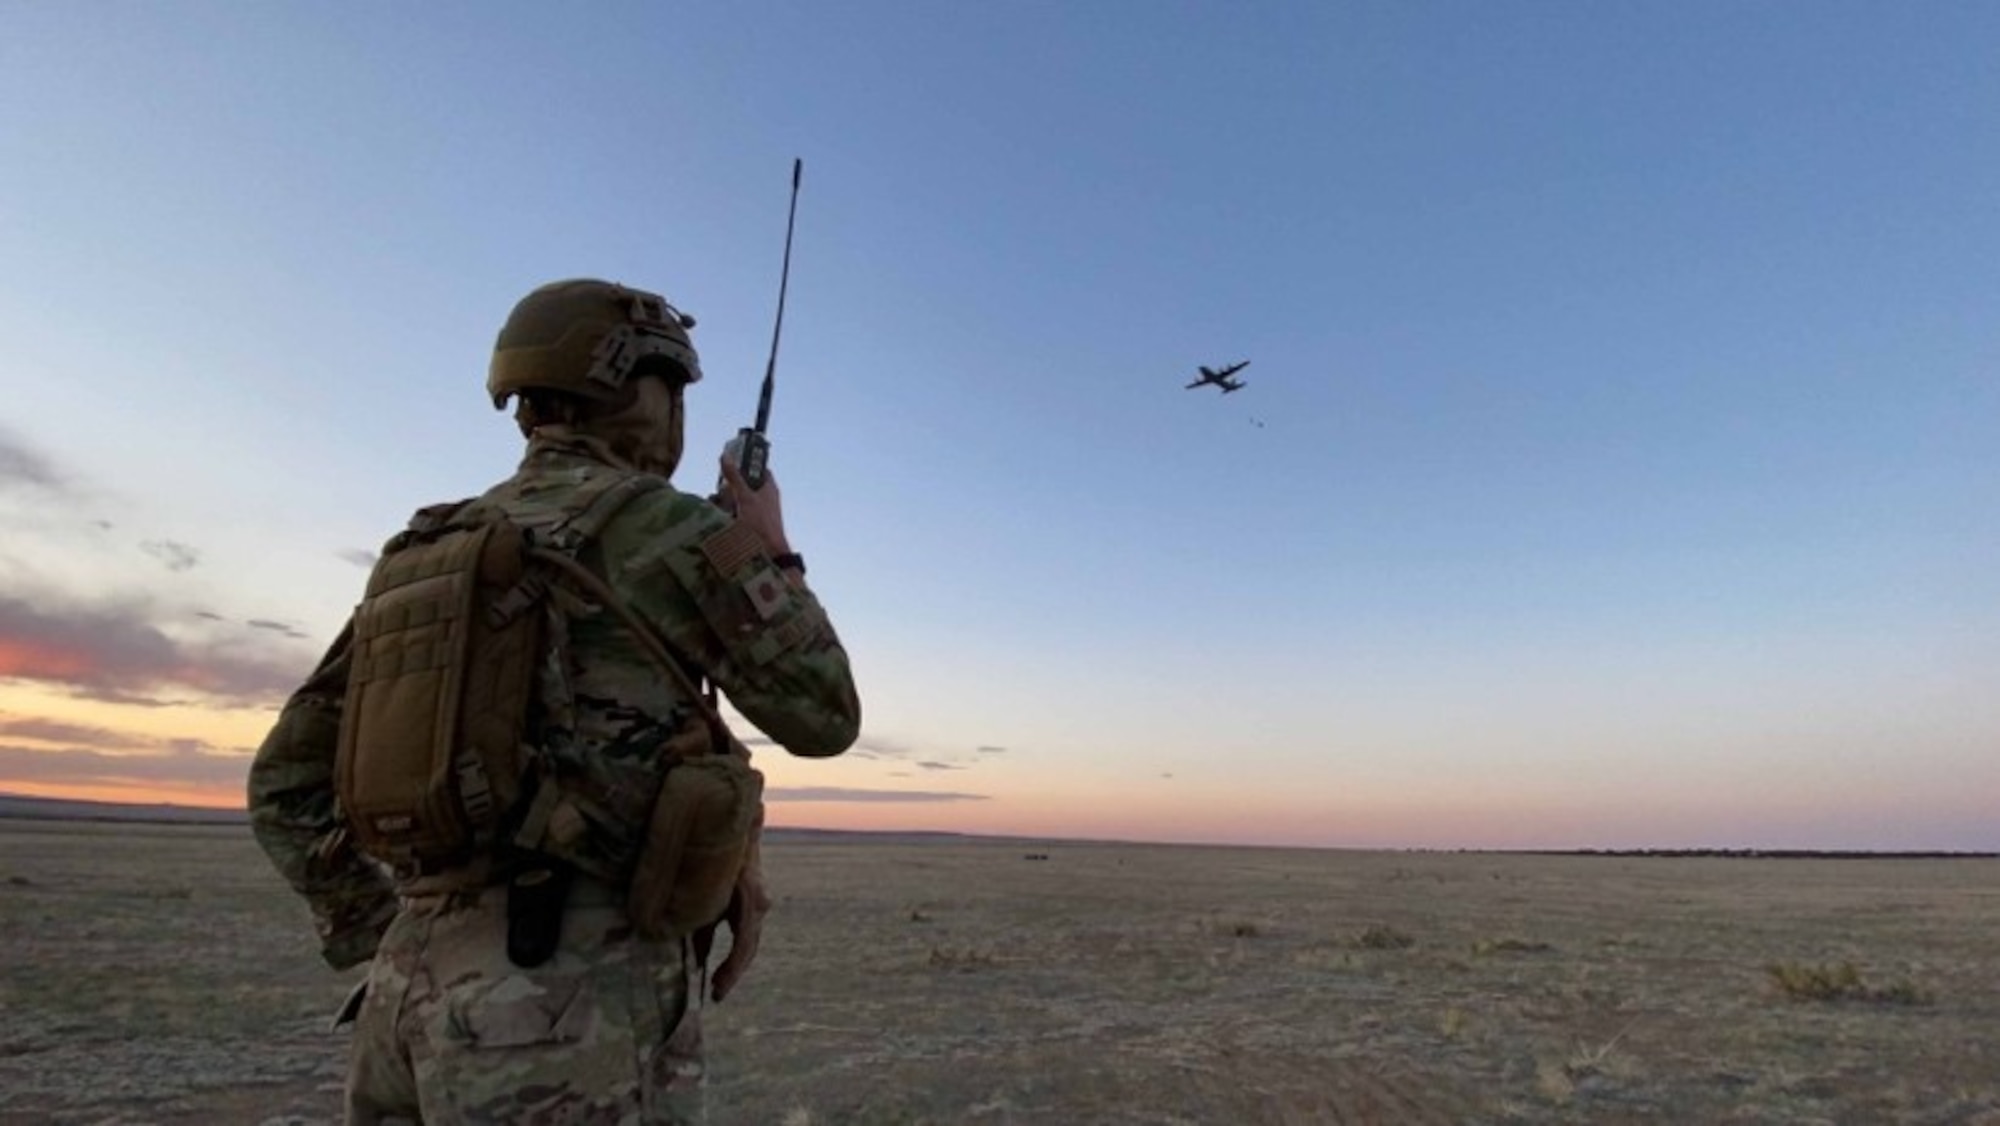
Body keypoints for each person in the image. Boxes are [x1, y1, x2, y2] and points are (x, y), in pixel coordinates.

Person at [247, 278, 861, 1125]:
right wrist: (771, 550)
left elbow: (284, 784)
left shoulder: (429, 550)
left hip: (401, 996)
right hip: (565, 1011)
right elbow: (825, 715)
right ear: (638, 390)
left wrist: (381, 932)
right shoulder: (677, 530)